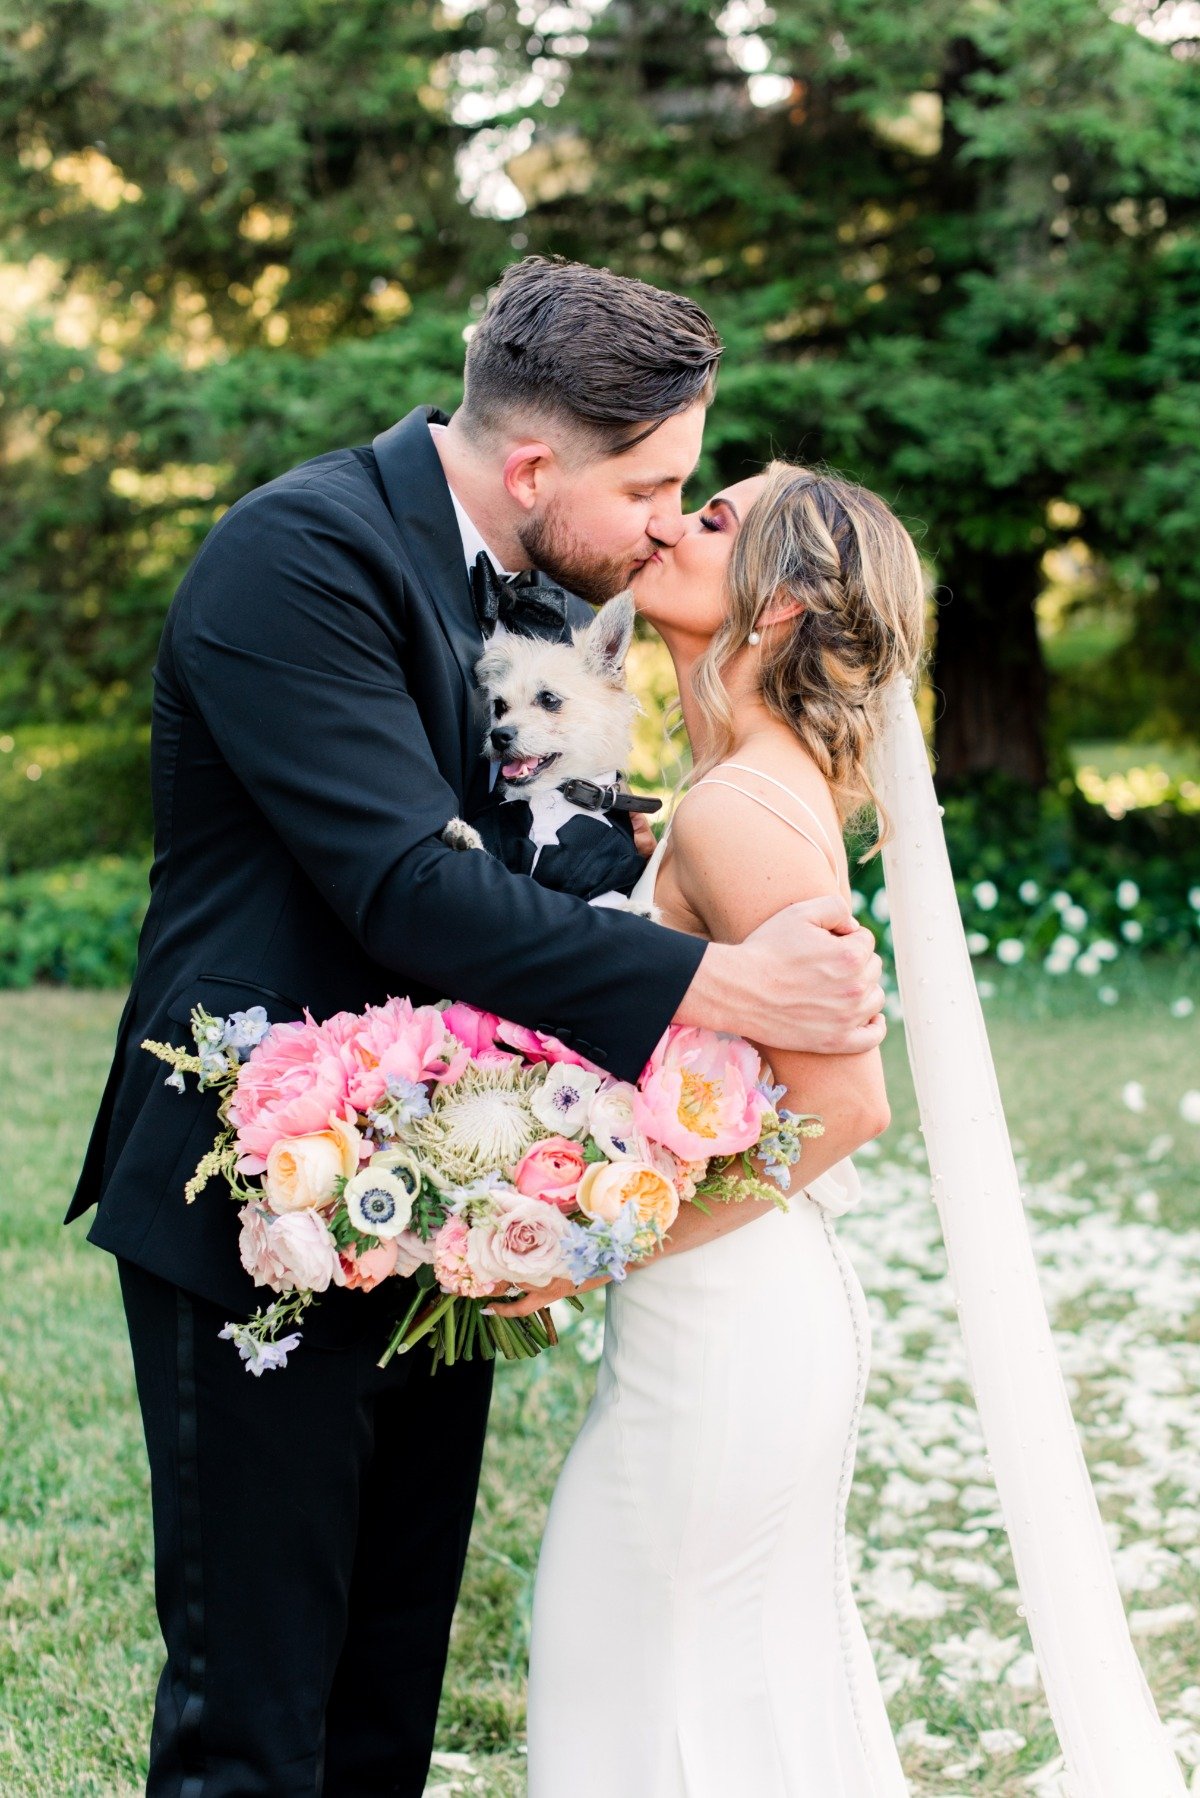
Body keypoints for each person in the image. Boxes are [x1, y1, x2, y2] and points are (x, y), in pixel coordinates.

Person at [66, 259, 886, 1797]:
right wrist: (721, 985)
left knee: (387, 1701)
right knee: (256, 1716)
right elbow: (404, 887)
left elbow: (530, 845)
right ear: (533, 466)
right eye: (652, 484)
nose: (663, 520)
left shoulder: (514, 580)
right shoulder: (296, 556)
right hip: (261, 1191)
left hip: (446, 1197)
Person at [509, 461, 923, 1795]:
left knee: (621, 1680)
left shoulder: (736, 804)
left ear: (787, 604)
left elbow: (847, 1099)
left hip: (724, 1330)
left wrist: (589, 1248)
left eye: (717, 517)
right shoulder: (746, 779)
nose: (678, 523)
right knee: (728, 1706)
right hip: (747, 1317)